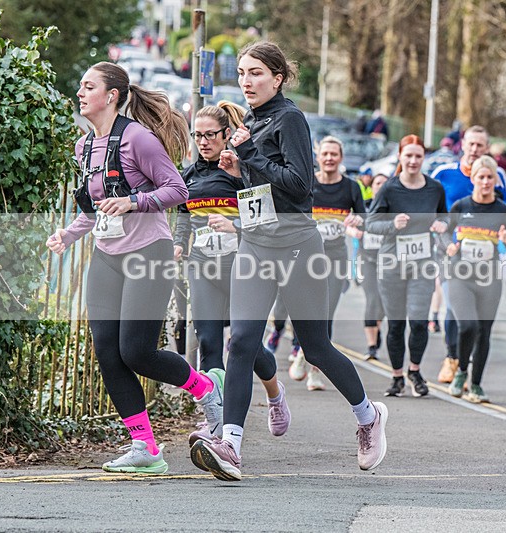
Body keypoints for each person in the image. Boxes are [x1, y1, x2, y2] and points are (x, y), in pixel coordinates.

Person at [190, 41, 388, 482]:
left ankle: (368, 416)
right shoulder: (252, 123)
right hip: (257, 244)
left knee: (315, 346)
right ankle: (232, 446)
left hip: (297, 244)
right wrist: (242, 171)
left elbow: (300, 187)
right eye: (242, 72)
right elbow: (263, 191)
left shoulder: (290, 118)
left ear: (278, 77)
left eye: (256, 72)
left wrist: (251, 156)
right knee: (240, 342)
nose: (247, 81)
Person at [46, 61, 219, 475]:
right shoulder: (83, 147)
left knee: (136, 352)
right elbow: (94, 211)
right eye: (80, 86)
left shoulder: (138, 139)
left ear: (112, 96)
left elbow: (177, 190)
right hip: (106, 257)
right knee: (107, 352)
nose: (81, 93)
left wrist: (134, 202)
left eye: (89, 86)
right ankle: (144, 448)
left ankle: (207, 387)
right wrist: (68, 235)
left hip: (149, 252)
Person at [172, 102, 289, 453]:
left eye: (210, 135)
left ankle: (275, 394)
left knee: (245, 345)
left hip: (242, 265)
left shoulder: (241, 171)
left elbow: (265, 217)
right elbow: (182, 215)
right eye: (198, 135)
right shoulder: (188, 175)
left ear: (226, 135)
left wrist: (234, 226)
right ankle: (217, 423)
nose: (203, 141)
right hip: (203, 267)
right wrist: (179, 244)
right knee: (208, 342)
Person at [366, 135, 449, 397]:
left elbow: (444, 215)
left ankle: (414, 370)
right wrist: (393, 225)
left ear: (423, 158)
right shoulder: (389, 188)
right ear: (400, 157)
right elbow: (371, 223)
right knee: (397, 324)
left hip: (422, 265)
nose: (413, 161)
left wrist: (442, 224)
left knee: (419, 321)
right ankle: (397, 376)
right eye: (408, 155)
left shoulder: (435, 188)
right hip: (392, 264)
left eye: (418, 156)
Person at [431, 126, 506, 385]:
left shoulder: (497, 174)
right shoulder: (444, 173)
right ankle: (452, 358)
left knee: (478, 321)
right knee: (455, 308)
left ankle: (467, 367)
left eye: (480, 145)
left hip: (485, 260)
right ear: (462, 145)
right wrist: (443, 237)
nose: (475, 149)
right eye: (471, 144)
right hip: (452, 255)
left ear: (487, 148)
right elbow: (432, 207)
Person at [288, 135, 366, 390]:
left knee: (326, 312)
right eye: (326, 154)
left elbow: (364, 217)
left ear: (341, 158)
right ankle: (302, 350)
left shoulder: (351, 187)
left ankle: (314, 369)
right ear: (318, 157)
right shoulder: (308, 183)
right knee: (304, 309)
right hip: (308, 255)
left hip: (335, 256)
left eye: (335, 154)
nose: (330, 158)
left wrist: (357, 222)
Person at [444, 156, 506, 403]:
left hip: (489, 279)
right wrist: (449, 246)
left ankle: (476, 384)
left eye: (489, 177)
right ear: (472, 179)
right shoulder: (461, 206)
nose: (485, 182)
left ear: (495, 180)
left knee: (484, 331)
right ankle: (461, 371)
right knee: (468, 326)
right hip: (460, 276)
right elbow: (443, 232)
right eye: (480, 177)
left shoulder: (503, 210)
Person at [361, 172, 390, 359]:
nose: (380, 186)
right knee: (372, 298)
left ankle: (377, 328)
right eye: (377, 183)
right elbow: (349, 222)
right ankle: (371, 346)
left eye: (384, 183)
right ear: (371, 187)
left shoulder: (393, 208)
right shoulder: (363, 207)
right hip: (367, 260)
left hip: (388, 263)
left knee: (383, 303)